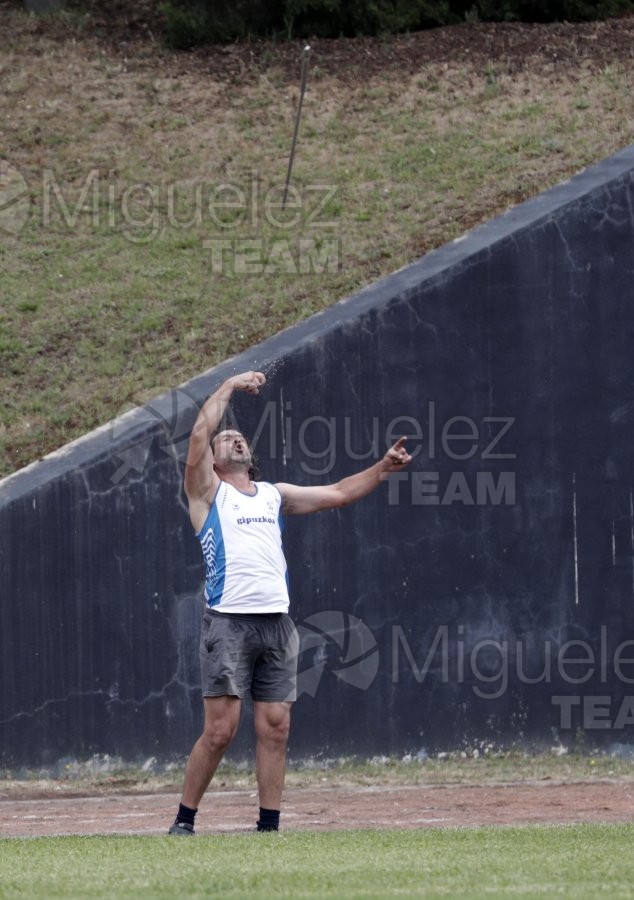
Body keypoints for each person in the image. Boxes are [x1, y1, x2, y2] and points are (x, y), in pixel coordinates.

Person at [168, 370, 412, 835]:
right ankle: (184, 820)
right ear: (214, 461)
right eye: (228, 439)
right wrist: (229, 387)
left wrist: (382, 468)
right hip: (229, 625)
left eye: (240, 438)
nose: (234, 440)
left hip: (277, 626)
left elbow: (339, 493)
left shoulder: (273, 496)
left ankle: (269, 827)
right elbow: (200, 433)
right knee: (221, 730)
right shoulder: (206, 494)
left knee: (276, 725)